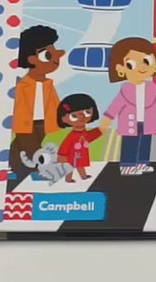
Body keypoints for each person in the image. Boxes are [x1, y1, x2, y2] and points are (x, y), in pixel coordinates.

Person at [100, 37, 156, 175]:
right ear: (120, 69)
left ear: (155, 65)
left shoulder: (151, 87)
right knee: (130, 143)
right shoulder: (126, 88)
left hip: (148, 122)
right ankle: (127, 165)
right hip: (131, 122)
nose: (142, 67)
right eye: (131, 64)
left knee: (145, 143)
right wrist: (107, 118)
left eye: (147, 61)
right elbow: (116, 105)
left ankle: (142, 163)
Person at [9, 25, 63, 182]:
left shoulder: (48, 84)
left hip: (43, 121)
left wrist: (60, 117)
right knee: (32, 147)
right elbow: (18, 105)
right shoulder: (23, 85)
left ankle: (13, 165)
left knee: (21, 145)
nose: (56, 58)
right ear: (31, 59)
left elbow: (55, 103)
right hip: (25, 122)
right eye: (48, 55)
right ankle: (38, 169)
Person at [55, 93, 102, 183]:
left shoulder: (83, 132)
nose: (82, 117)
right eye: (74, 116)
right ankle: (68, 179)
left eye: (87, 112)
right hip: (71, 156)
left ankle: (83, 176)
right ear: (64, 119)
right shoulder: (72, 136)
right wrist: (62, 156)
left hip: (80, 154)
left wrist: (100, 130)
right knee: (70, 166)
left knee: (80, 165)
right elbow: (65, 146)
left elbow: (88, 137)